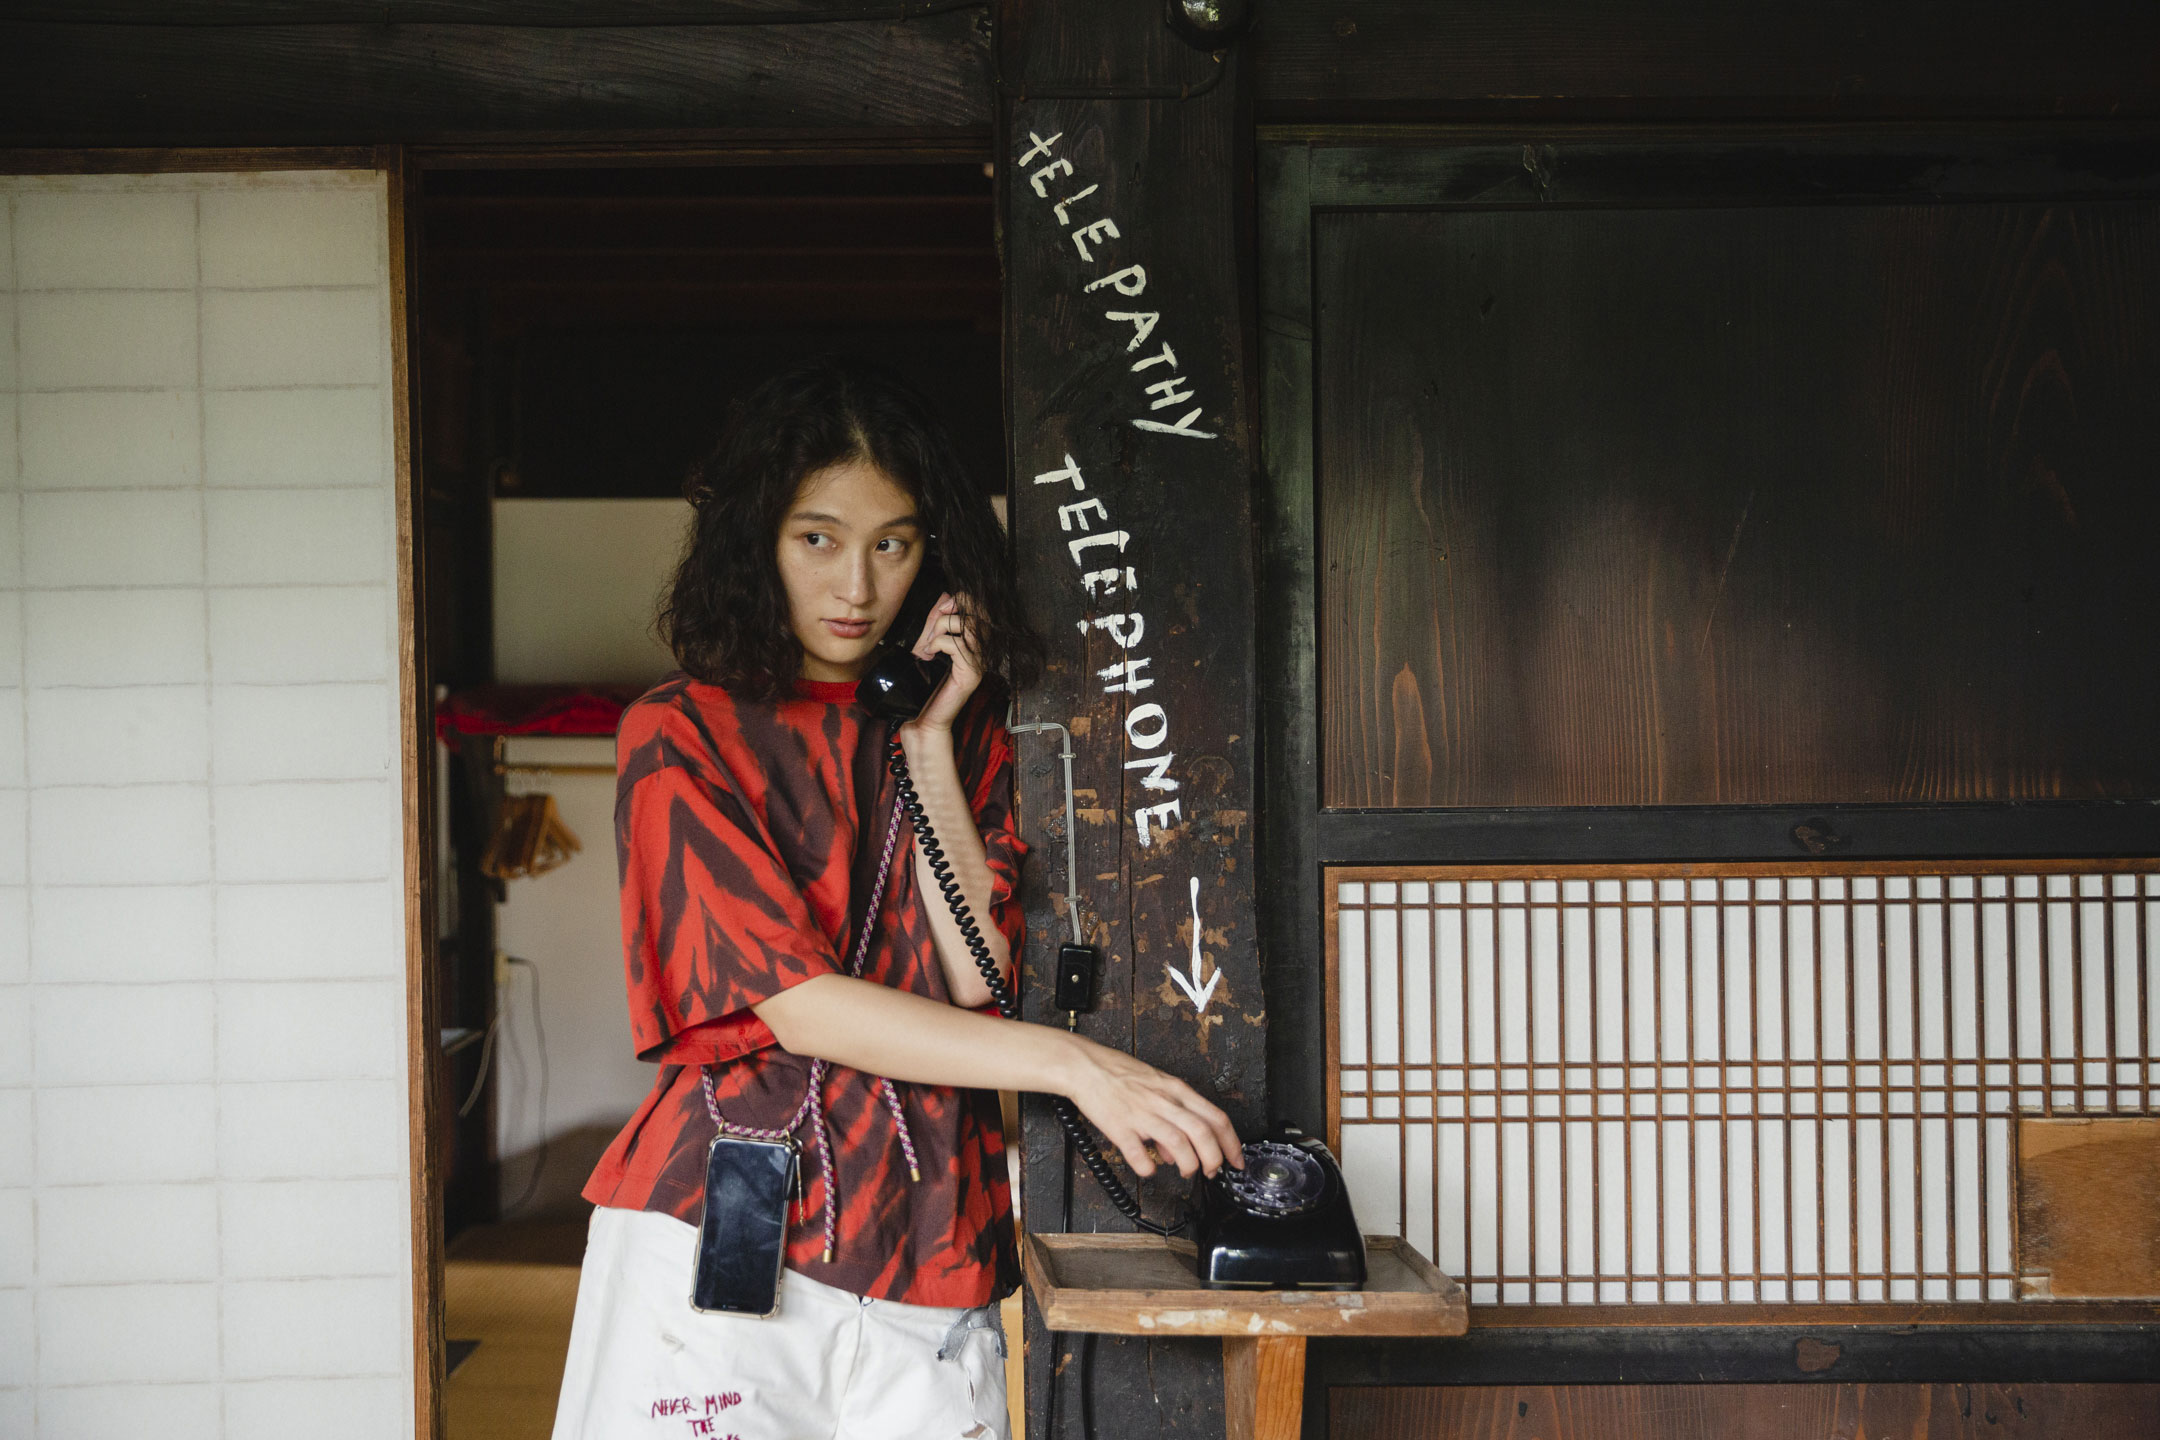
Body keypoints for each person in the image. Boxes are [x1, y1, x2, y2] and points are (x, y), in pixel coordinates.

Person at [551, 356, 1243, 1440]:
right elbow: (795, 1003)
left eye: (894, 543)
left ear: (934, 556)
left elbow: (976, 970)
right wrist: (1070, 1064)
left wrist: (922, 737)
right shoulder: (679, 735)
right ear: (757, 540)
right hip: (726, 1227)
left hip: (932, 1233)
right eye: (817, 538)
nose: (857, 587)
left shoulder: (961, 736)